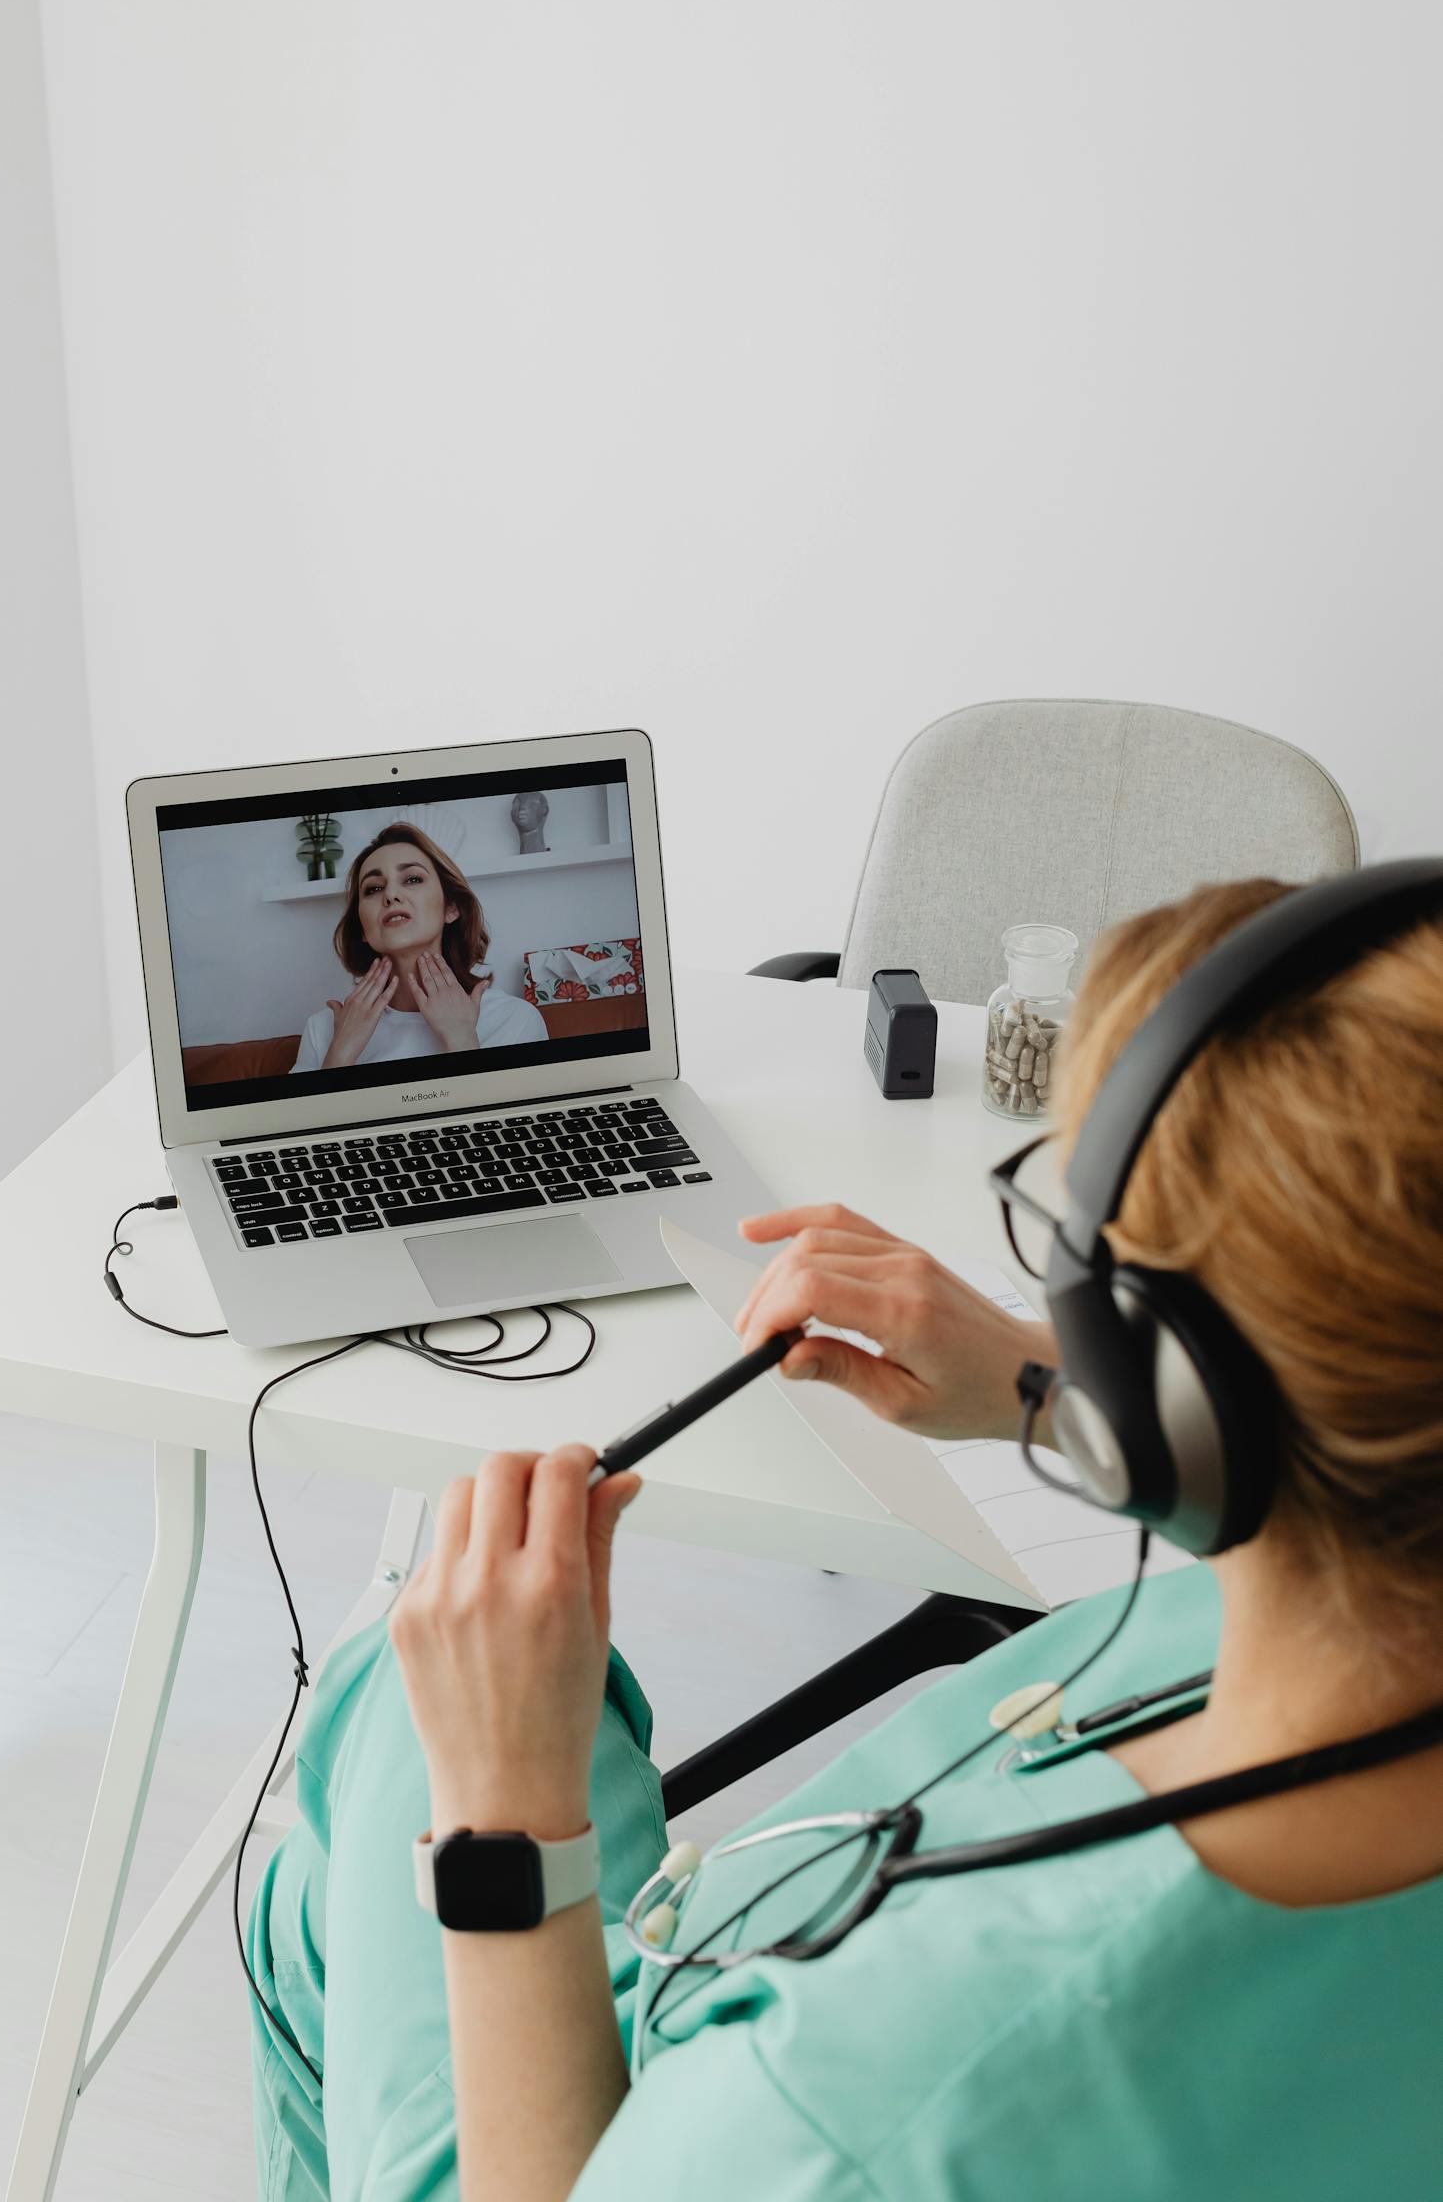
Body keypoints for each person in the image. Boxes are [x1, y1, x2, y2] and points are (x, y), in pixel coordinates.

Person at [248, 878, 1443, 2199]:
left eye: (1077, 1252)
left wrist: (504, 1820)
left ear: (1194, 1390)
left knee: (385, 1734)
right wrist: (1051, 1385)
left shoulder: (858, 2107)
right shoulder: (1374, 1582)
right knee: (327, 1885)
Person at [293, 822, 548, 1072]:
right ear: (361, 928)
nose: (390, 895)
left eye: (413, 879)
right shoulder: (324, 1030)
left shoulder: (513, 1019)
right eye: (374, 888)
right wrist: (341, 1052)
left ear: (451, 908)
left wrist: (462, 1041)